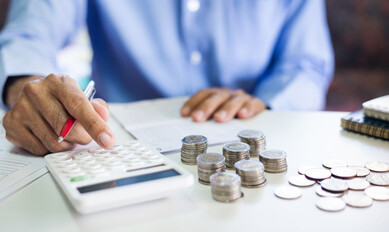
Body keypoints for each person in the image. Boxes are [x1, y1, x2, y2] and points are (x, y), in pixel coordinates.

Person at [0, 0, 334, 155]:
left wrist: (269, 101)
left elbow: (306, 63)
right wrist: (24, 87)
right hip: (118, 154)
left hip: (251, 148)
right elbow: (28, 35)